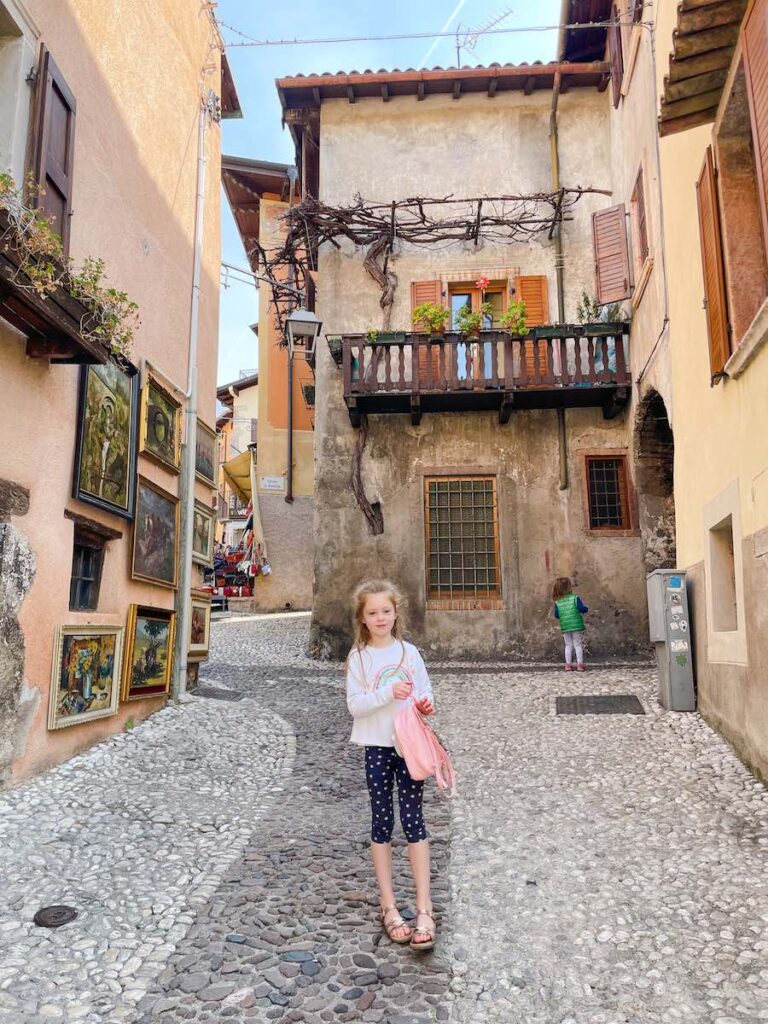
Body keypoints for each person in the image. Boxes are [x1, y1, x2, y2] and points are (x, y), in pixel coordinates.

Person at [346, 579, 437, 951]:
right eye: (372, 612)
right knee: (382, 822)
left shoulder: (409, 653)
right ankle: (389, 905)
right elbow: (355, 706)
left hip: (407, 746)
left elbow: (425, 690)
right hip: (377, 746)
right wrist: (387, 692)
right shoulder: (359, 658)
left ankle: (424, 908)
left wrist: (424, 704)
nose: (380, 617)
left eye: (386, 610)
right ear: (362, 618)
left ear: (396, 612)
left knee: (415, 822)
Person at [552, 576, 589, 671]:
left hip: (565, 626)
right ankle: (580, 664)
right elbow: (581, 609)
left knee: (568, 645)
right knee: (577, 644)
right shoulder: (575, 598)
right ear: (569, 587)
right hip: (575, 625)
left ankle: (568, 665)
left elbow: (556, 615)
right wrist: (586, 609)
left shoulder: (558, 602)